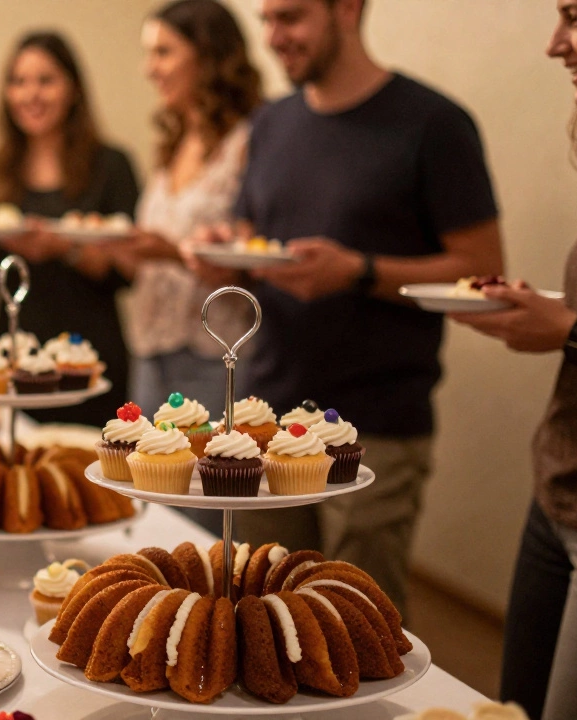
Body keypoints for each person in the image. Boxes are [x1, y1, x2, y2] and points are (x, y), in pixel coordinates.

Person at [187, 0, 504, 616]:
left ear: (348, 10)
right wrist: (227, 256)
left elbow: (481, 269)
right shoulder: (271, 123)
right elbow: (258, 238)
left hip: (375, 425)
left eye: (292, 18)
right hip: (267, 413)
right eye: (267, 21)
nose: (274, 38)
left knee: (358, 629)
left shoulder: (432, 123)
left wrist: (357, 270)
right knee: (262, 615)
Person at [452, 1, 577, 717]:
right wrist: (537, 312)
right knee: (514, 708)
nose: (557, 44)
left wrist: (572, 331)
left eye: (576, 17)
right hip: (558, 494)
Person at [0, 31, 138, 425]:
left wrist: (66, 249)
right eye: (19, 81)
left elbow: (126, 275)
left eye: (46, 80)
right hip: (15, 355)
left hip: (91, 358)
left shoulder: (111, 166)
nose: (31, 94)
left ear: (74, 89)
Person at [119, 0, 262, 419]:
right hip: (149, 347)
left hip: (217, 350)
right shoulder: (175, 141)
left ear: (208, 55)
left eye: (164, 52)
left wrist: (168, 251)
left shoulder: (249, 140)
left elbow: (258, 250)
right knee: (143, 475)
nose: (150, 69)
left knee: (212, 479)